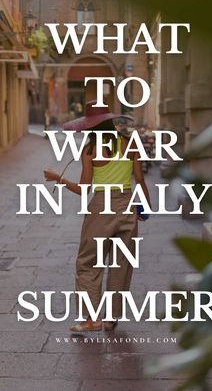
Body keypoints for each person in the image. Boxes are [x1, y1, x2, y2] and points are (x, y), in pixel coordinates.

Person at [44, 100, 150, 332]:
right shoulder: (129, 143)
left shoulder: (90, 150)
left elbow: (84, 189)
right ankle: (111, 319)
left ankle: (91, 319)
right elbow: (140, 180)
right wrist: (146, 208)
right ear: (111, 122)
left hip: (101, 208)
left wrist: (57, 178)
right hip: (126, 205)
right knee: (121, 263)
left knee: (88, 262)